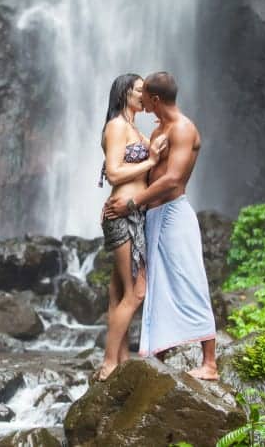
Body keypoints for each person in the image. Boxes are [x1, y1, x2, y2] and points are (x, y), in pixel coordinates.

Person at [104, 71, 219, 381]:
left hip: (173, 214)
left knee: (189, 278)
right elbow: (129, 165)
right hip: (151, 216)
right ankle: (158, 354)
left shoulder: (182, 129)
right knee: (156, 286)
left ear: (155, 99)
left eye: (144, 96)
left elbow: (172, 180)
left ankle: (209, 363)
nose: (141, 100)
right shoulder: (157, 131)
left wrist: (132, 202)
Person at [93, 73, 167, 382]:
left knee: (120, 291)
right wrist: (150, 161)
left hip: (133, 213)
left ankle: (121, 358)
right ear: (125, 93)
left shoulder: (134, 127)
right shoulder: (117, 126)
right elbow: (112, 173)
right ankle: (110, 363)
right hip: (123, 215)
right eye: (139, 90)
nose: (144, 94)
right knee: (136, 292)